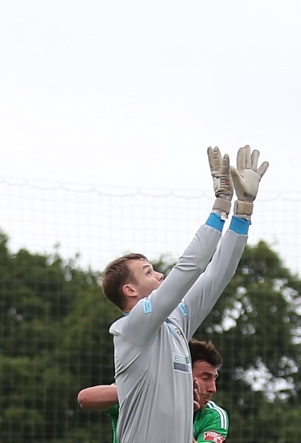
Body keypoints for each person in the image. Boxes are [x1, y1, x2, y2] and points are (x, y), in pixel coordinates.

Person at [101, 145, 268, 443]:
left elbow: (218, 274)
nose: (160, 275)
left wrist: (243, 209)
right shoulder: (132, 328)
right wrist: (220, 204)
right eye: (148, 271)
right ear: (130, 291)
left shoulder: (176, 321)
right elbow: (188, 269)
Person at [77, 339, 228, 443]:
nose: (212, 389)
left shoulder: (214, 415)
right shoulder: (140, 396)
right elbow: (85, 399)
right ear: (181, 373)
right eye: (205, 378)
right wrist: (147, 391)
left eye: (214, 379)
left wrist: (181, 417)